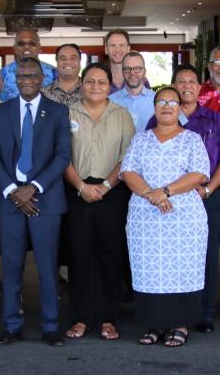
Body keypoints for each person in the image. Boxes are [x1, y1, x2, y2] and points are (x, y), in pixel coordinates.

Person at [0, 58, 73, 347]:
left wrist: (33, 188)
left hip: (45, 201)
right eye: (22, 76)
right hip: (10, 200)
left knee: (48, 267)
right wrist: (14, 190)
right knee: (11, 267)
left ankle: (50, 327)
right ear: (14, 78)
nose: (27, 80)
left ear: (43, 79)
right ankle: (11, 326)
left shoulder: (59, 111)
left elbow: (62, 156)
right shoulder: (0, 112)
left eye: (33, 76)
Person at [121, 87, 214, 347]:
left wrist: (165, 192)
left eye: (172, 102)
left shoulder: (192, 139)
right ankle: (154, 324)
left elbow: (199, 174)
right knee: (149, 269)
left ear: (180, 109)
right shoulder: (141, 139)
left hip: (183, 217)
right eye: (161, 101)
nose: (167, 106)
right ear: (154, 108)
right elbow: (128, 172)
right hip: (145, 217)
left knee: (182, 268)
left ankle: (180, 324)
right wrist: (152, 195)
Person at [154, 64, 220, 334]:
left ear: (199, 87)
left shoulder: (213, 119)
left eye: (192, 82)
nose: (187, 86)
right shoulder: (161, 117)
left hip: (204, 196)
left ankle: (204, 311)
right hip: (168, 200)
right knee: (171, 255)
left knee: (205, 255)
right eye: (181, 82)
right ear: (174, 87)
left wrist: (210, 189)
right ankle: (173, 310)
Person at [61, 63, 135, 341]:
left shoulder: (121, 115)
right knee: (79, 258)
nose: (95, 87)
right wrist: (81, 186)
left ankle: (108, 318)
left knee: (110, 257)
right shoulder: (67, 113)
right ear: (81, 83)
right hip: (76, 192)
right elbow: (61, 155)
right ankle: (80, 318)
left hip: (112, 193)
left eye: (101, 82)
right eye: (90, 81)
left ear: (109, 86)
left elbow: (127, 158)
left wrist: (104, 186)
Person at [0, 29, 58, 101]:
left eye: (32, 44)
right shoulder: (2, 74)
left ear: (39, 47)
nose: (26, 47)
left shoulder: (54, 73)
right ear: (14, 48)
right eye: (21, 44)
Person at [109, 51, 155, 128]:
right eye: (127, 69)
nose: (132, 73)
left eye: (137, 68)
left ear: (144, 72)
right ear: (122, 72)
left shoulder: (156, 100)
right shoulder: (110, 101)